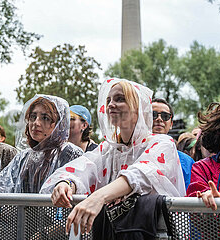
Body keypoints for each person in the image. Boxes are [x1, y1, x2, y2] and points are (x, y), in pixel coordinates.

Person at [40, 79, 185, 236]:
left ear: (138, 109)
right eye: (108, 100)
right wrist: (66, 183)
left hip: (155, 233)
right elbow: (82, 168)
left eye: (120, 99)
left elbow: (141, 173)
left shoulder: (162, 143)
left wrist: (98, 197)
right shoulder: (108, 149)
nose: (110, 105)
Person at [0, 95, 83, 195]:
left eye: (45, 118)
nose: (36, 123)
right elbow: (4, 187)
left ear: (58, 124)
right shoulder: (23, 157)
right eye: (33, 117)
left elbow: (80, 186)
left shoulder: (71, 153)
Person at [151, 98, 195, 190]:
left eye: (165, 116)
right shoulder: (133, 153)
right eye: (153, 115)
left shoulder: (186, 162)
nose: (159, 119)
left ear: (171, 124)